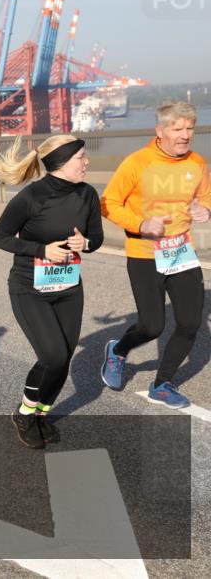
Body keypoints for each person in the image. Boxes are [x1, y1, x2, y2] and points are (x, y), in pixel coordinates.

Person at [0, 135, 104, 449]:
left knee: (63, 359)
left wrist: (87, 244)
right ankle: (25, 413)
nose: (86, 162)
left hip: (69, 287)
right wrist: (41, 249)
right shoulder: (31, 197)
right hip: (29, 288)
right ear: (61, 163)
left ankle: (41, 414)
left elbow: (96, 237)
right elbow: (0, 238)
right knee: (52, 356)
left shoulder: (88, 194)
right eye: (81, 157)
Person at [100, 100, 210, 408]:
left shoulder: (197, 162)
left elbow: (206, 194)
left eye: (190, 128)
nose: (185, 135)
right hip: (145, 252)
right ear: (159, 131)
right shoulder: (137, 163)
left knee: (190, 323)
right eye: (177, 129)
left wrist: (206, 209)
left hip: (180, 251)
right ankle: (119, 350)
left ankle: (162, 383)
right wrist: (140, 223)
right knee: (152, 326)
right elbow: (108, 203)